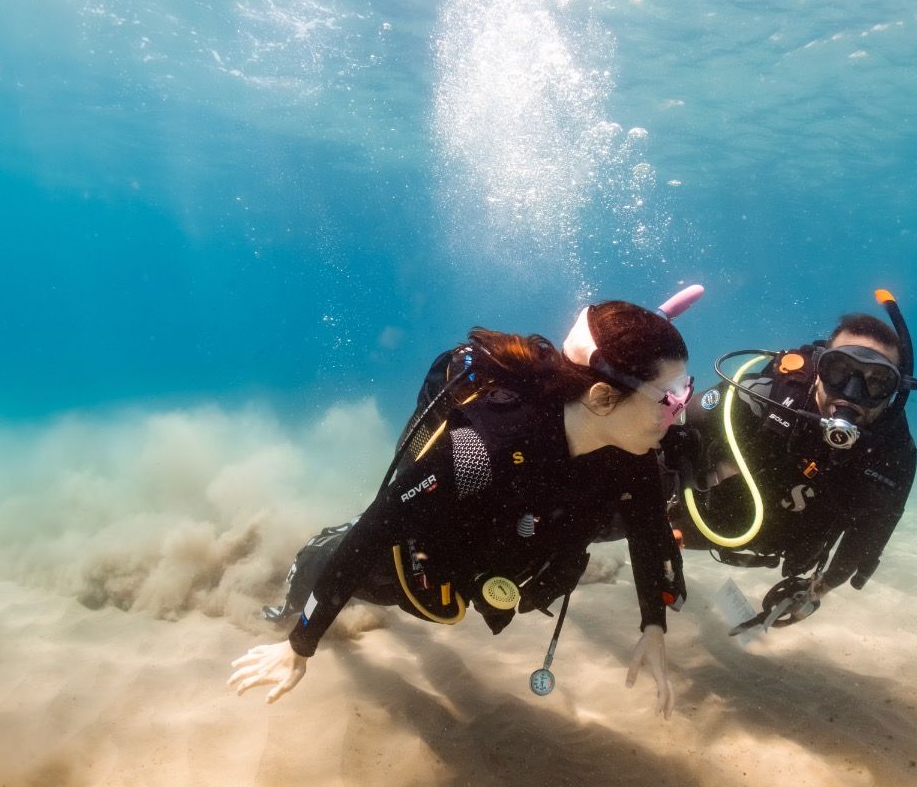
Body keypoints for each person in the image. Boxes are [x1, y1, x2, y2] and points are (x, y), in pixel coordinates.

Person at [229, 294, 700, 717]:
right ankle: (306, 569)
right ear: (601, 397)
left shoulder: (630, 451)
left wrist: (653, 625)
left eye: (684, 390)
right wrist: (300, 646)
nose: (678, 410)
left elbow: (646, 525)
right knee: (358, 561)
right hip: (419, 551)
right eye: (667, 397)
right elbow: (375, 530)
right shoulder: (478, 450)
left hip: (499, 543)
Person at [663, 289, 917, 633]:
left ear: (895, 391)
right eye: (840, 371)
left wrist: (817, 589)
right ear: (818, 368)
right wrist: (654, 537)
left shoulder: (894, 453)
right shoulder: (764, 396)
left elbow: (870, 533)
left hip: (784, 545)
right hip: (705, 523)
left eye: (877, 382)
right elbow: (663, 448)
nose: (852, 394)